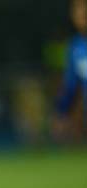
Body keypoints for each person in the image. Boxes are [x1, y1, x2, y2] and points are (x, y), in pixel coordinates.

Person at [51, 0, 87, 143]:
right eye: (77, 9)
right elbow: (70, 86)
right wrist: (60, 113)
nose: (82, 13)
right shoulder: (75, 47)